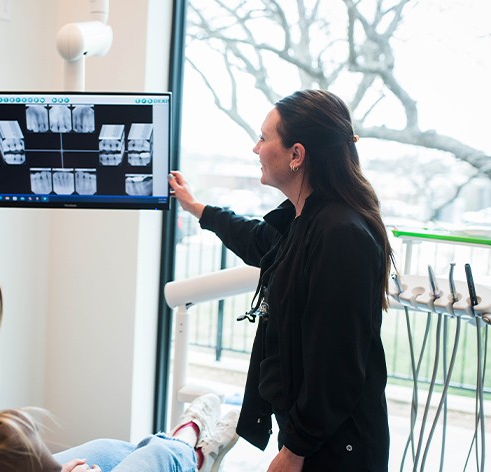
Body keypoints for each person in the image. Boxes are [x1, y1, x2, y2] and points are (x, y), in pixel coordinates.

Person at [168, 89, 393, 472]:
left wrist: (295, 450)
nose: (256, 148)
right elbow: (258, 240)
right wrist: (195, 207)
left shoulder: (340, 234)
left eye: (263, 137)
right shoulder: (304, 218)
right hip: (316, 437)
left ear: (296, 155)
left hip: (340, 447)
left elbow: (336, 365)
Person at [0, 251, 239, 472]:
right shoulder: (1, 441)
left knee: (111, 448)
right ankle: (191, 449)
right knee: (159, 454)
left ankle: (187, 441)